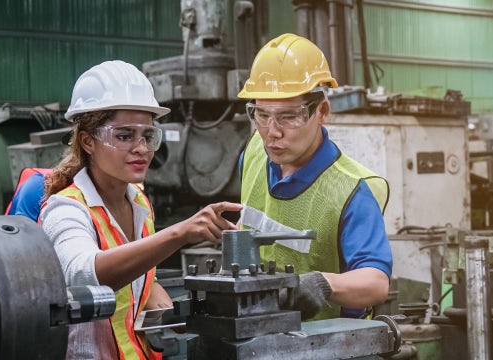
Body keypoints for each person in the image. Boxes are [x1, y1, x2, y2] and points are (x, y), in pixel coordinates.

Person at [39, 60, 242, 359]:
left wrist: (166, 302)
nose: (142, 148)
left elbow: (141, 277)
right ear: (87, 141)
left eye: (147, 136)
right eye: (124, 136)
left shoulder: (138, 202)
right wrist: (180, 233)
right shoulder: (65, 210)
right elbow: (85, 276)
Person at [237, 33, 393, 321]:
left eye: (288, 116)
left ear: (321, 111)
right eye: (261, 115)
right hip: (256, 332)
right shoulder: (254, 154)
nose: (272, 132)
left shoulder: (352, 190)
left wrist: (324, 283)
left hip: (327, 343)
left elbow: (376, 282)